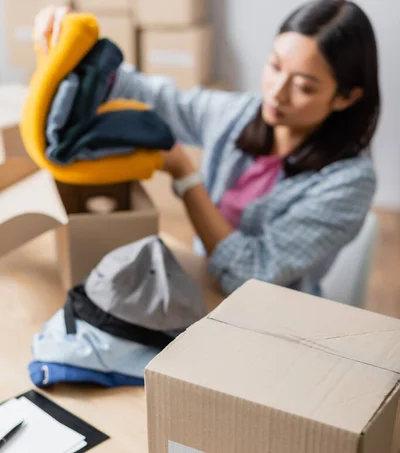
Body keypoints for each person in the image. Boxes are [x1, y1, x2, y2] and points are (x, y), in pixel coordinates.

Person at [35, 0, 380, 296]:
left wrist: (185, 177)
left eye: (304, 86)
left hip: (272, 318)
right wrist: (79, 47)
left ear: (346, 98)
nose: (276, 93)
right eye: (274, 66)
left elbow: (252, 273)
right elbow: (151, 96)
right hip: (203, 282)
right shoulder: (241, 114)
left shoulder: (349, 182)